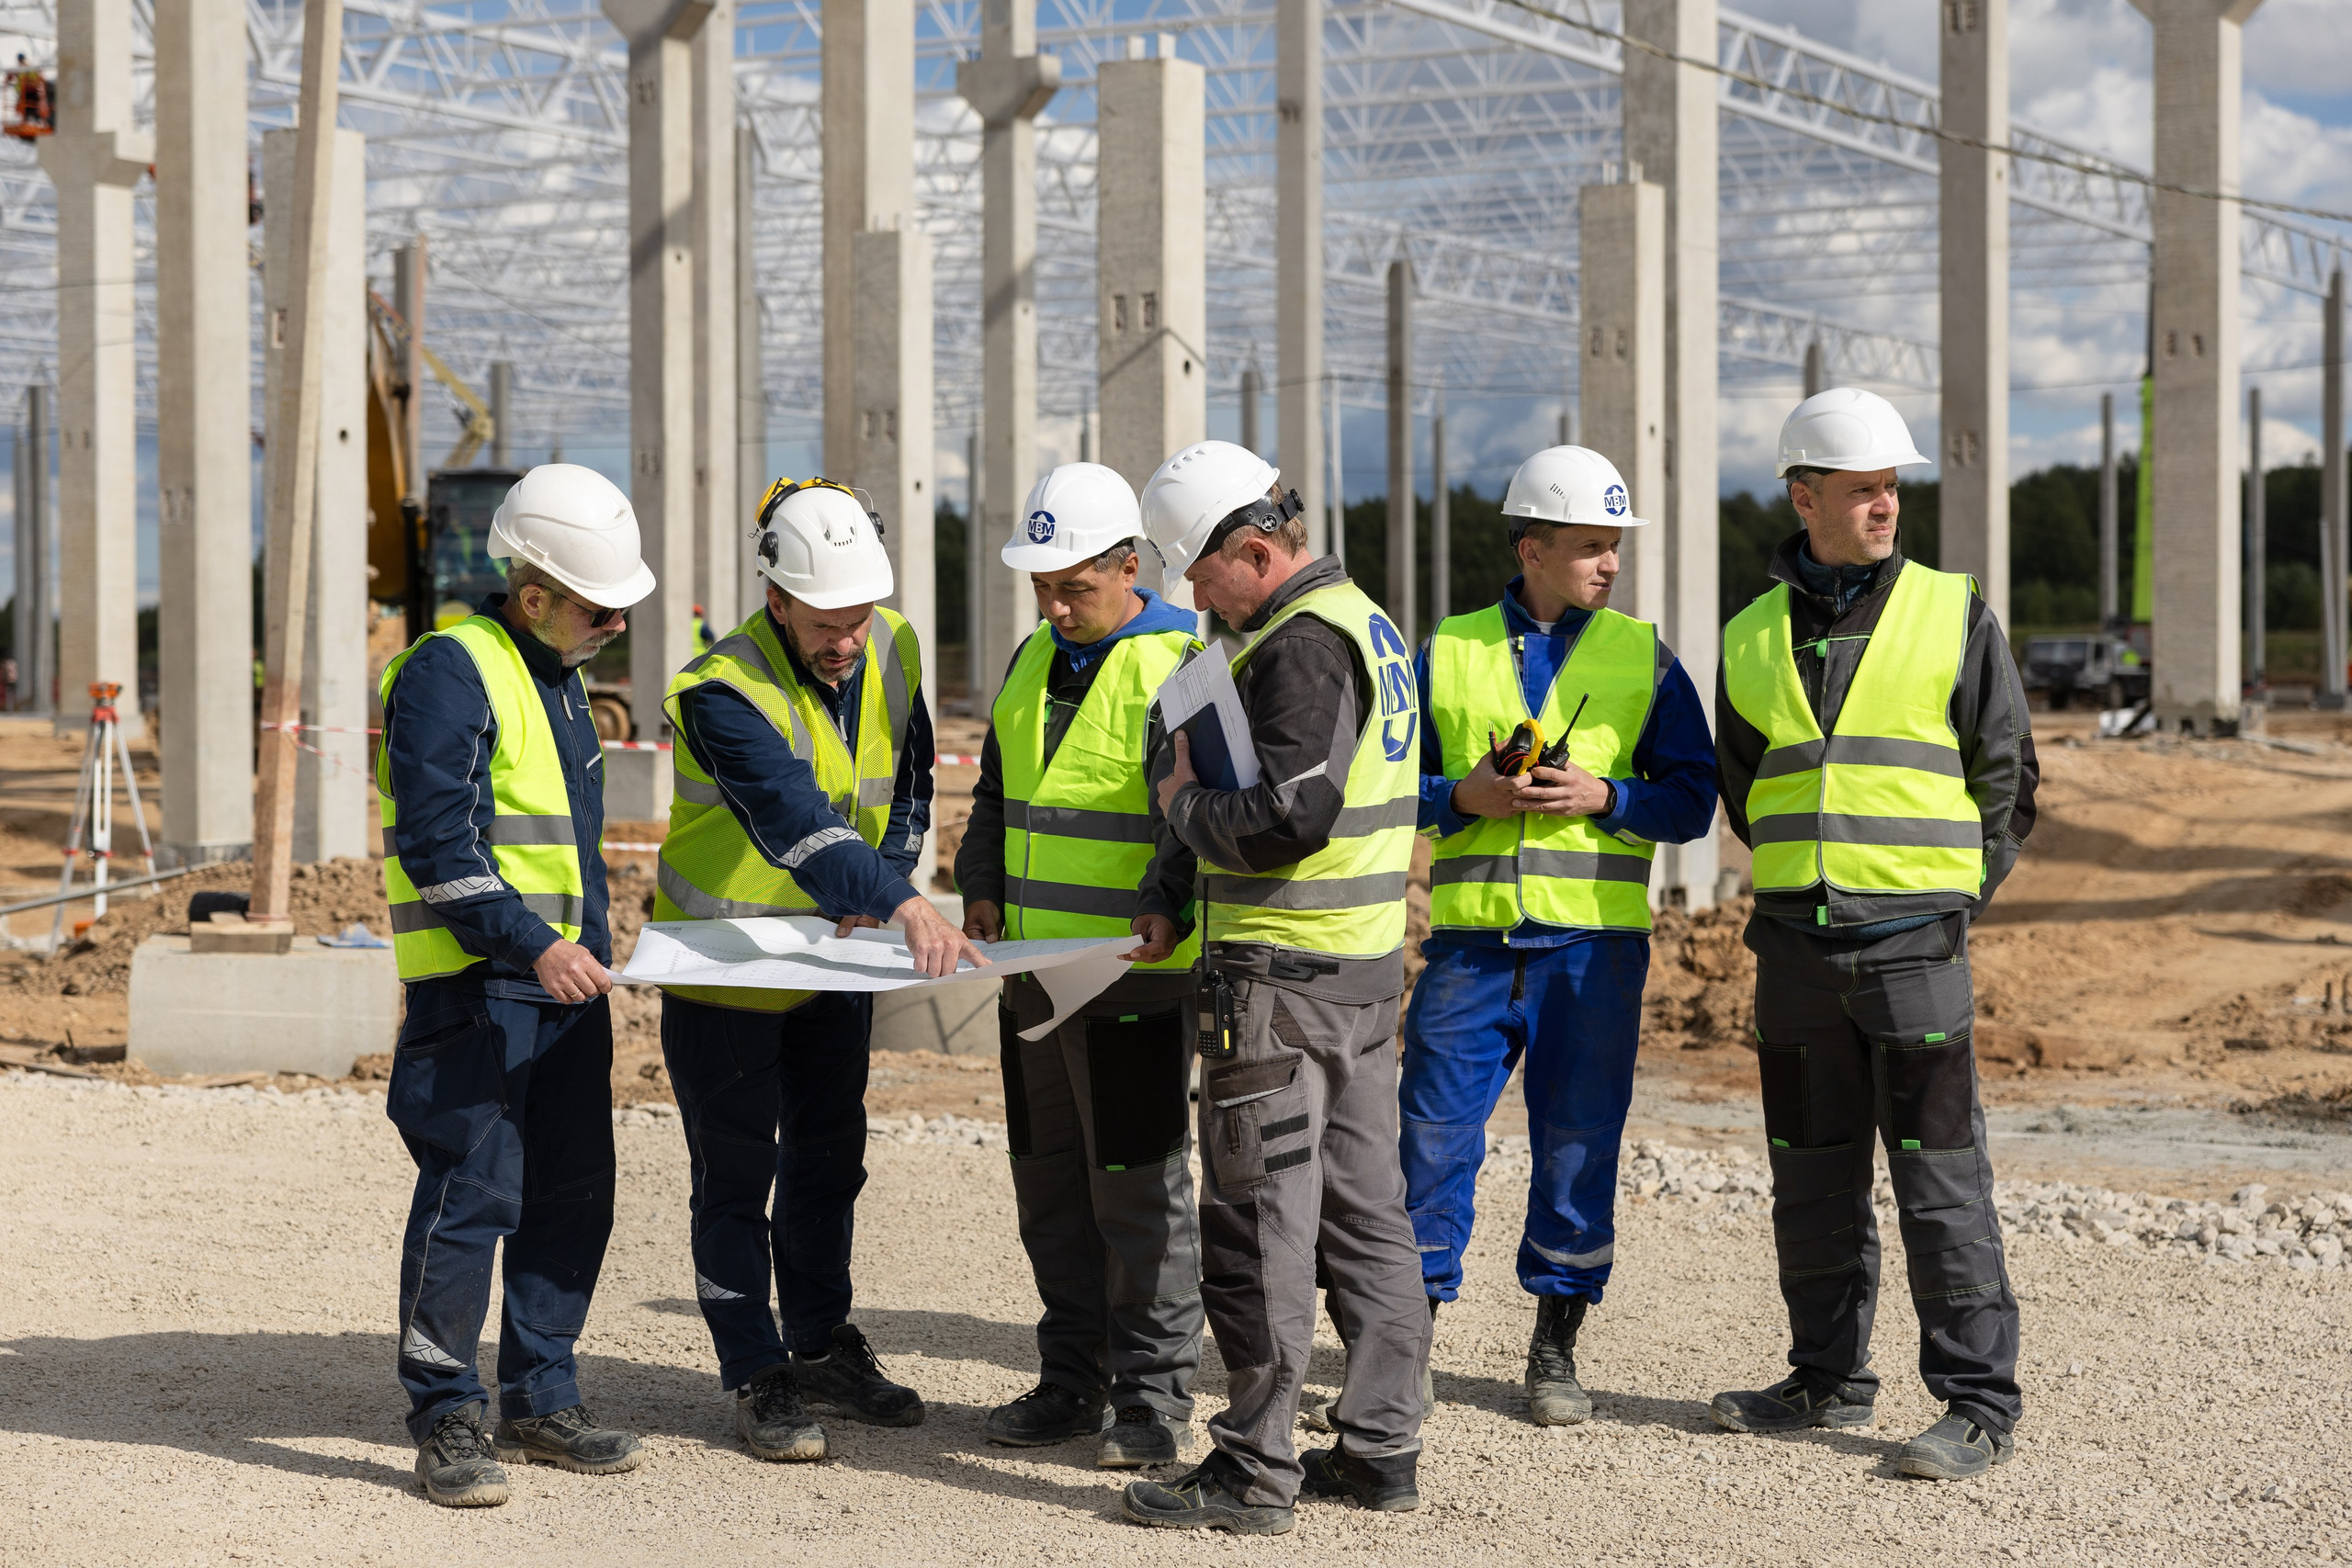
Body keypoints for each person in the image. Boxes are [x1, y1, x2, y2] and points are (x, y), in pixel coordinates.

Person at [1712, 387, 2036, 1481]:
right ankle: (1824, 1376)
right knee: (1808, 1176)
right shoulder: (1750, 633)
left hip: (1911, 948)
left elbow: (2005, 775)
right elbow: (1745, 787)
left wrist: (1952, 895)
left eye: (1893, 487)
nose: (1884, 505)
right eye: (1862, 490)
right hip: (1795, 951)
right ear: (1804, 498)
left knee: (1939, 1177)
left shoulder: (1952, 609)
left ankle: (1977, 1403)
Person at [1120, 440, 1429, 1536]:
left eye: (1201, 578)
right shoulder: (1371, 627)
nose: (1195, 601)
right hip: (1356, 971)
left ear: (1254, 552)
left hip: (1279, 986)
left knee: (1256, 1218)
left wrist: (1180, 807)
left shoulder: (1297, 648)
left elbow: (1286, 821)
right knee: (1362, 1211)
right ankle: (1382, 1444)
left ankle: (1254, 1471)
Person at [656, 475, 987, 1465]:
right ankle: (756, 1369)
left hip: (832, 957)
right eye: (825, 624)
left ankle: (820, 1345)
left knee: (829, 1160)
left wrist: (890, 876)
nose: (848, 641)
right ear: (775, 598)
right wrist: (900, 902)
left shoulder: (890, 643)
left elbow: (910, 775)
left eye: (859, 618)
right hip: (726, 964)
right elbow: (793, 817)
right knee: (735, 1175)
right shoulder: (716, 690)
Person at [1403, 446, 1717, 1426]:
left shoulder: (1644, 656)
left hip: (1592, 953)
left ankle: (1554, 1348)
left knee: (1578, 1150)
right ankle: (1403, 1344)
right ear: (1530, 546)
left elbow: (1693, 800)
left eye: (1613, 547)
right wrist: (1462, 794)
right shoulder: (1444, 650)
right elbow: (1383, 788)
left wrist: (1605, 795)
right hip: (1468, 952)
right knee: (1427, 1146)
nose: (1608, 565)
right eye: (1588, 546)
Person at [377, 463, 654, 1507]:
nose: (613, 625)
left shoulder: (559, 674)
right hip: (478, 988)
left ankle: (542, 1392)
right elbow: (437, 842)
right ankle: (446, 1411)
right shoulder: (453, 670)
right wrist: (534, 942)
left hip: (560, 989)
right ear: (532, 593)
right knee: (471, 1198)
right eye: (598, 607)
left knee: (573, 1194)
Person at [956, 462, 1208, 1469]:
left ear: (1129, 567)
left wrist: (1168, 904)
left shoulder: (1187, 663)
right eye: (1044, 589)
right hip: (1029, 977)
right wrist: (977, 881)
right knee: (1049, 1185)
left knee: (1139, 1193)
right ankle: (1072, 1381)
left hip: (1132, 982)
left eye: (1076, 588)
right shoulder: (1028, 660)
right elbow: (994, 795)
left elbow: (1202, 818)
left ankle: (1151, 1402)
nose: (1058, 607)